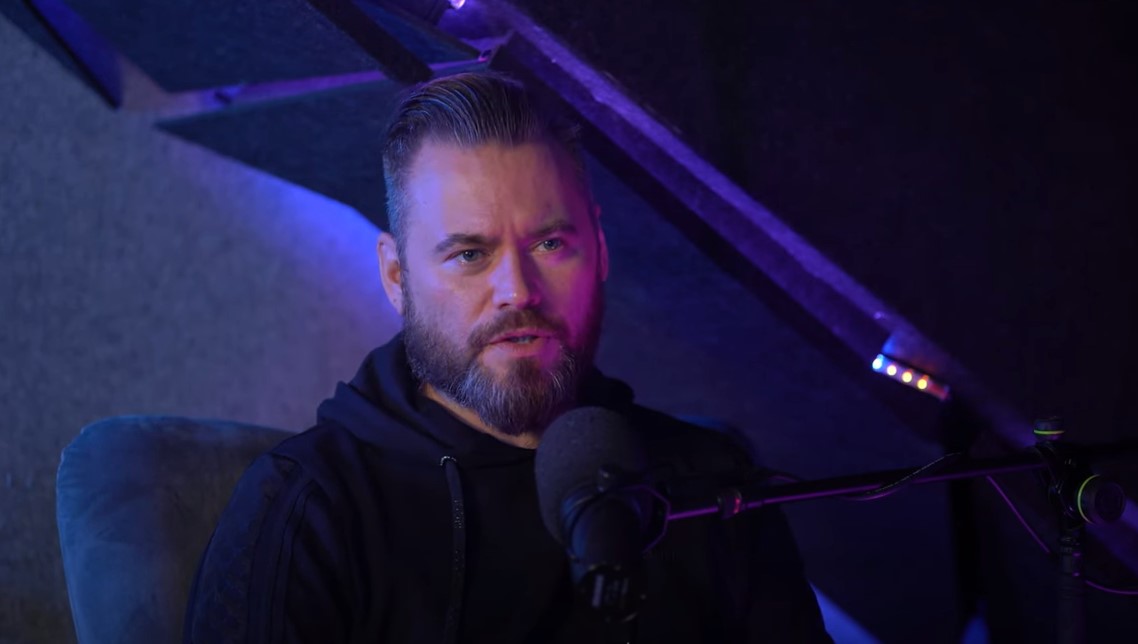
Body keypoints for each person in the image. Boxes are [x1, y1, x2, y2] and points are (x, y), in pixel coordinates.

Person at [183, 71, 830, 643]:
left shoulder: (711, 484)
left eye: (550, 244)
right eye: (470, 254)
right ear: (396, 277)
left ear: (600, 249)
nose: (518, 290)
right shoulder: (309, 506)